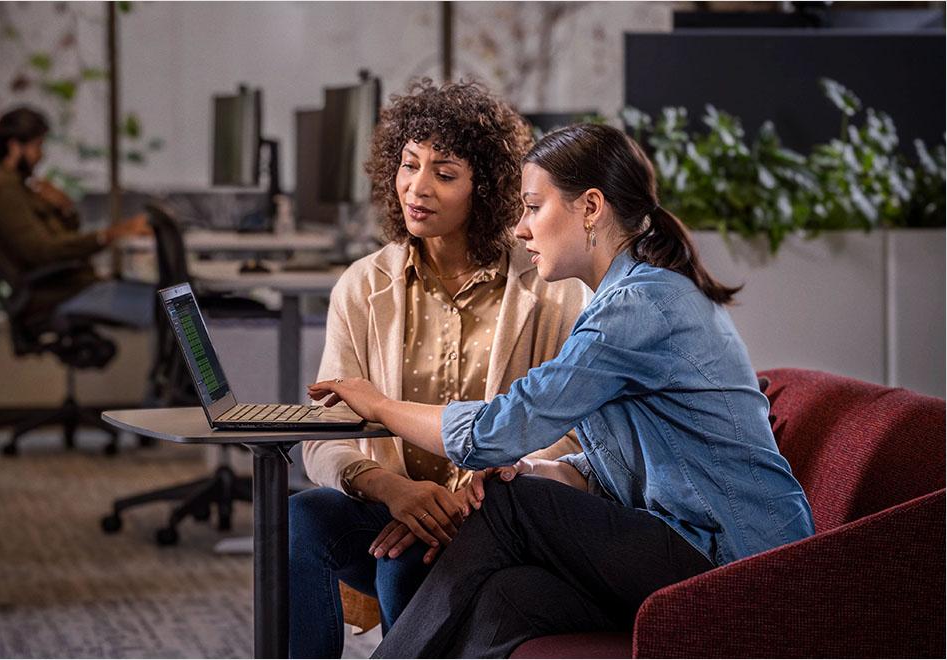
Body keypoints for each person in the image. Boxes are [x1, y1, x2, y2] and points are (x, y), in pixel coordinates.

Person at [309, 123, 815, 658]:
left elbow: (495, 431)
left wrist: (379, 406)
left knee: (506, 503)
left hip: (739, 567)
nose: (521, 229)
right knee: (510, 597)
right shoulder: (624, 298)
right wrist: (549, 470)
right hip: (689, 544)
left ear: (590, 208)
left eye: (532, 207)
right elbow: (634, 458)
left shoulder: (637, 307)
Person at [289, 80, 591, 658]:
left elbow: (573, 434)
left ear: (487, 188)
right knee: (300, 520)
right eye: (408, 166)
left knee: (405, 563)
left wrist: (472, 497)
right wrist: (393, 489)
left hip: (497, 514)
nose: (416, 189)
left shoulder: (553, 291)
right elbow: (325, 433)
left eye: (444, 174)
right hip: (394, 506)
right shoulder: (363, 286)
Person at [0, 106, 152, 330]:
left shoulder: (15, 184)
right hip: (57, 294)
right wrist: (108, 235)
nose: (41, 155)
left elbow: (63, 235)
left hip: (68, 287)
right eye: (38, 146)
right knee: (173, 308)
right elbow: (43, 251)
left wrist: (64, 207)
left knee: (168, 301)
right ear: (15, 146)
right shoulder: (0, 188)